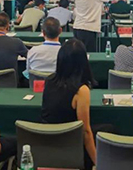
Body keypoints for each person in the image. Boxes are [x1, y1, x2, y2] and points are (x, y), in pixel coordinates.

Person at [42, 39, 108, 170]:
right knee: (108, 130)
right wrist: (98, 162)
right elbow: (85, 132)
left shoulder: (49, 80)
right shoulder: (81, 90)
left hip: (48, 140)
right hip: (70, 143)